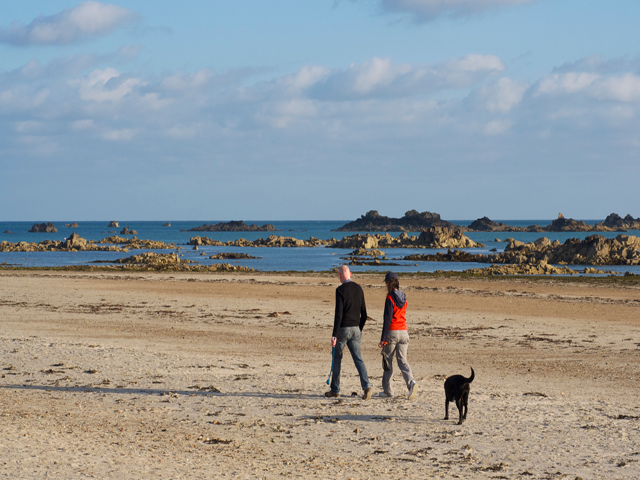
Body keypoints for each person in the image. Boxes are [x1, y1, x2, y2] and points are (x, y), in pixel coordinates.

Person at [326, 265, 372, 400]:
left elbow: (338, 314)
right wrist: (360, 329)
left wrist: (334, 334)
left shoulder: (340, 290)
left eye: (339, 275)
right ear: (350, 274)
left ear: (340, 275)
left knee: (337, 359)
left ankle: (335, 389)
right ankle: (366, 386)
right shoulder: (359, 288)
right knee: (358, 359)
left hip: (343, 329)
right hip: (355, 329)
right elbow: (364, 314)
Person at [378, 272, 417, 399]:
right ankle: (411, 383)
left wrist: (383, 338)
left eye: (386, 283)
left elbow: (387, 319)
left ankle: (388, 390)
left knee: (387, 361)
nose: (385, 285)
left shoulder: (390, 298)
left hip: (392, 332)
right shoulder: (404, 297)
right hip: (404, 331)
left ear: (389, 283)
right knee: (403, 361)